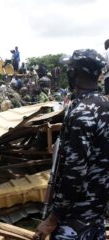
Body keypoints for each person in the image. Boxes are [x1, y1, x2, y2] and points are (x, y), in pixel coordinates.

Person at [34, 49, 108, 240]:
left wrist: (52, 218)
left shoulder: (81, 113)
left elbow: (74, 173)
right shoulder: (103, 105)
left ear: (73, 72)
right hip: (97, 211)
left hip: (75, 217)